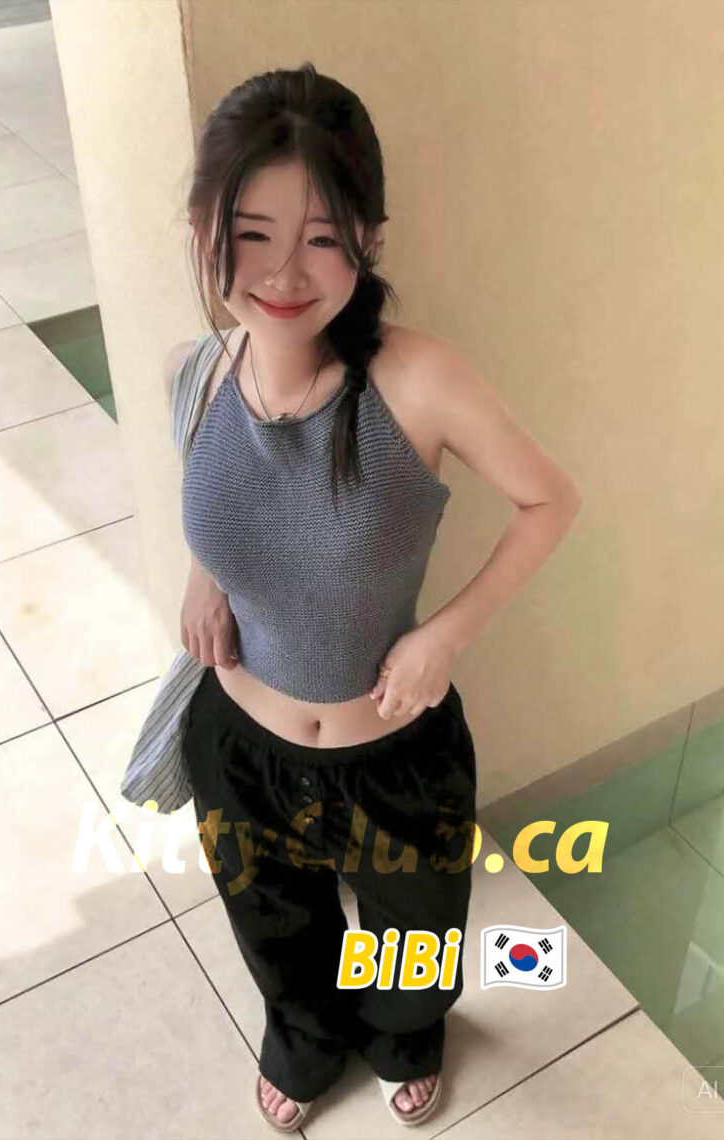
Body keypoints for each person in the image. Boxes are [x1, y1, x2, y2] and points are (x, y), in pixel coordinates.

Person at [175, 63, 581, 1132]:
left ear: (370, 238)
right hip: (239, 747)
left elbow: (551, 501)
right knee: (277, 931)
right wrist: (203, 577)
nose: (283, 271)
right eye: (251, 233)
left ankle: (405, 1036)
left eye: (321, 236)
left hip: (395, 756)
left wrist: (446, 634)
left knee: (415, 939)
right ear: (204, 230)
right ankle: (306, 1045)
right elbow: (220, 499)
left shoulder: (417, 379)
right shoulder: (201, 371)